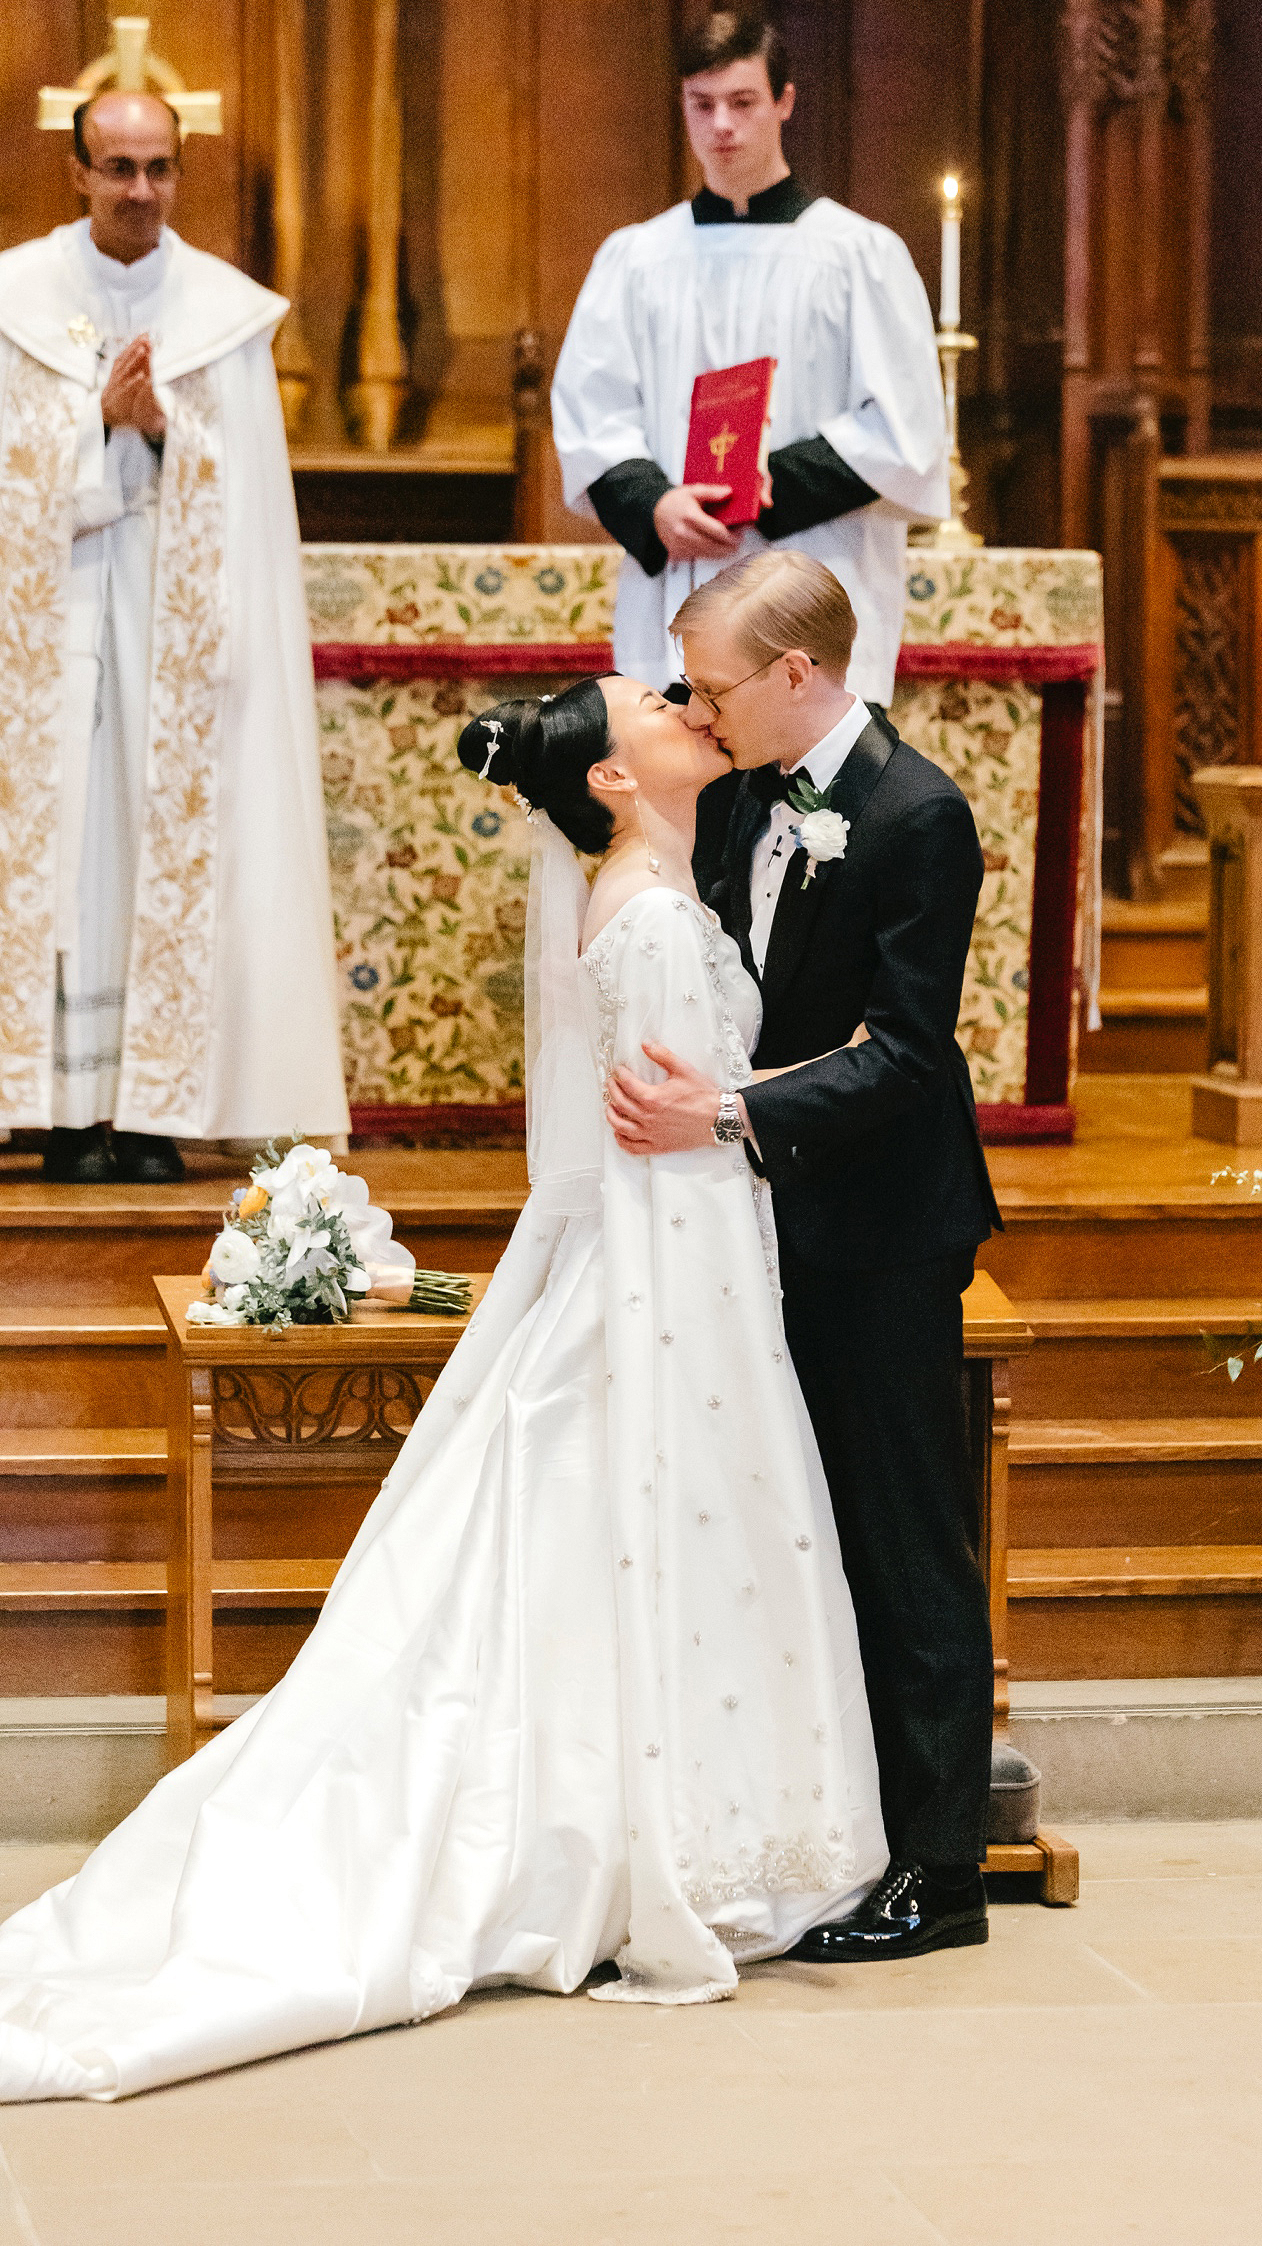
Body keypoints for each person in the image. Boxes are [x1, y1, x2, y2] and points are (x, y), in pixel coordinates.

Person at [0, 675, 885, 2102]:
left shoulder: (644, 889)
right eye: (650, 701)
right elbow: (674, 1159)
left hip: (636, 1262)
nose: (680, 699)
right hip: (664, 1281)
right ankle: (642, 1834)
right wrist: (722, 1335)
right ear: (609, 779)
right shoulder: (650, 911)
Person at [604, 551, 1002, 1962]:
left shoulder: (913, 812)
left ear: (797, 672)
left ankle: (942, 1870)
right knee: (805, 1527)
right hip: (762, 1218)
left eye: (714, 686)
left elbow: (905, 1055)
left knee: (905, 1537)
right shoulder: (752, 797)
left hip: (883, 1226)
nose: (697, 711)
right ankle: (845, 1828)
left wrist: (724, 1112)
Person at [0, 89, 347, 1183]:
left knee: (161, 840)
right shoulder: (17, 298)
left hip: (174, 638)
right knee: (67, 852)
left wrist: (161, 433)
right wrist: (94, 422)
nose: (140, 190)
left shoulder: (222, 316)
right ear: (79, 170)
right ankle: (60, 1108)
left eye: (158, 168)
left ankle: (151, 1114)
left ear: (178, 173)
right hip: (47, 632)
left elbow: (242, 489)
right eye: (118, 168)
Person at [550, 7, 948, 711]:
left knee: (812, 814)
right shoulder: (638, 259)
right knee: (683, 798)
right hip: (680, 576)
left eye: (742, 103)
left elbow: (904, 429)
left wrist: (767, 489)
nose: (721, 127)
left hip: (817, 577)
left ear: (784, 102)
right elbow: (593, 414)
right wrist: (655, 505)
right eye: (701, 106)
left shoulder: (859, 256)